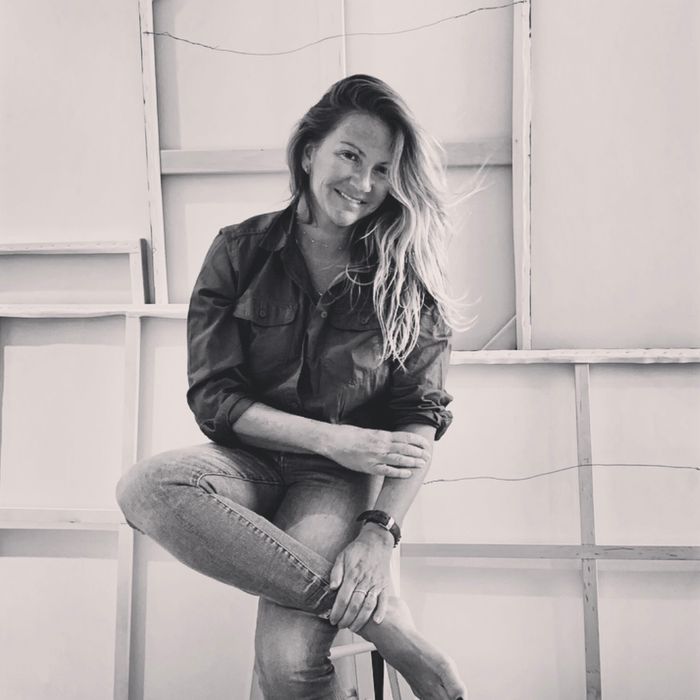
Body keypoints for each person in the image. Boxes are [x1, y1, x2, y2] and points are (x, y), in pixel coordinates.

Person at [116, 74, 468, 700]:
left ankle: (367, 613)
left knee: (285, 664)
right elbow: (214, 398)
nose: (363, 183)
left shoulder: (407, 273)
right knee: (145, 486)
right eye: (349, 156)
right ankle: (388, 627)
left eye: (382, 170)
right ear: (309, 153)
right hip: (246, 462)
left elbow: (418, 421)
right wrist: (331, 438)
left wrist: (377, 533)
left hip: (336, 482)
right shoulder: (239, 250)